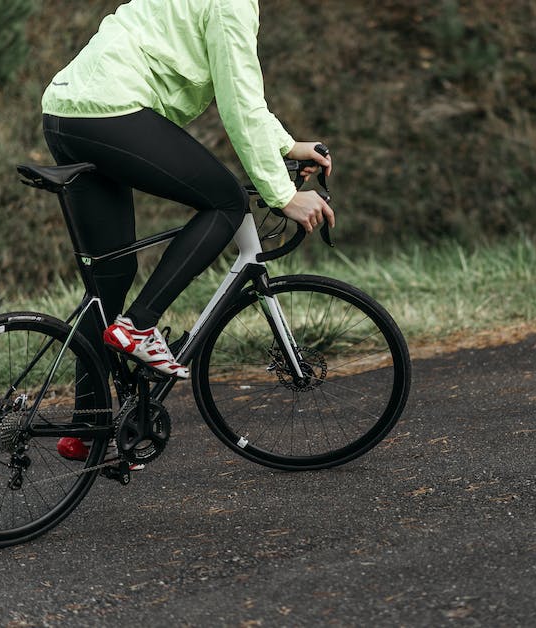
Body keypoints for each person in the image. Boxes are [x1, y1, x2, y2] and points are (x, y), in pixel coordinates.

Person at [41, 0, 333, 461]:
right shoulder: (232, 4)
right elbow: (239, 102)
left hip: (66, 111)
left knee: (110, 279)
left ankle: (87, 426)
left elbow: (240, 96)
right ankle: (139, 327)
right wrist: (281, 194)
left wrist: (287, 144)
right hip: (114, 109)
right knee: (226, 201)